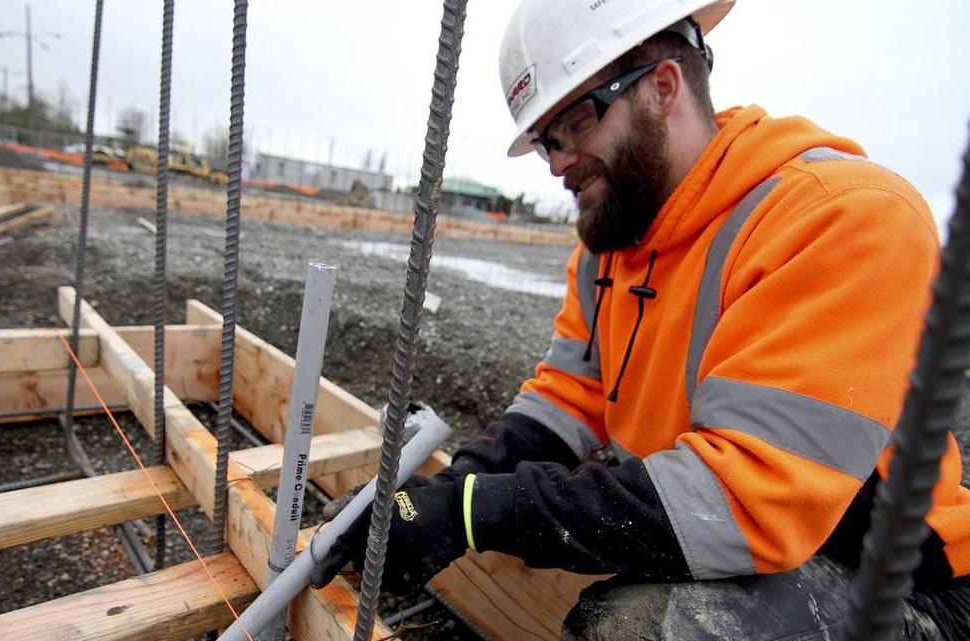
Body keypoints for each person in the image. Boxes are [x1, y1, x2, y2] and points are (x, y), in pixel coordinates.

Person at [310, 0, 970, 638]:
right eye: (546, 142)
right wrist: (451, 490)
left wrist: (479, 513)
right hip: (742, 545)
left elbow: (748, 500)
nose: (559, 161)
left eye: (574, 124)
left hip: (898, 587)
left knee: (638, 626)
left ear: (662, 87)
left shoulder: (841, 220)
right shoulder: (611, 249)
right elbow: (567, 401)